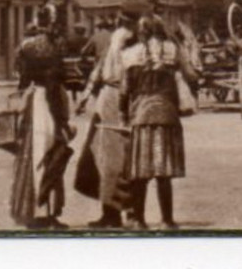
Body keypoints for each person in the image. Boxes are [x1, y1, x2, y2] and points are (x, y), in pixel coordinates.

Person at [121, 15, 197, 229]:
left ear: (141, 32)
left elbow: (124, 90)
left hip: (141, 115)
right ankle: (167, 220)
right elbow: (191, 75)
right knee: (163, 171)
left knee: (140, 171)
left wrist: (123, 116)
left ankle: (139, 220)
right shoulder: (173, 50)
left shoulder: (130, 54)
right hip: (167, 114)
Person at [10, 16, 72, 229]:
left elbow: (23, 79)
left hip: (33, 102)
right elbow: (56, 87)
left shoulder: (27, 47)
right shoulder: (54, 50)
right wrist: (63, 121)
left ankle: (32, 209)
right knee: (51, 155)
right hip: (48, 105)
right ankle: (48, 212)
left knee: (32, 155)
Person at [78, 23, 136, 229]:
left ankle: (116, 213)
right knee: (118, 161)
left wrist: (85, 97)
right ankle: (123, 213)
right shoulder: (131, 44)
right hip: (120, 102)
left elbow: (97, 72)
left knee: (111, 162)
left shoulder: (119, 43)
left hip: (114, 102)